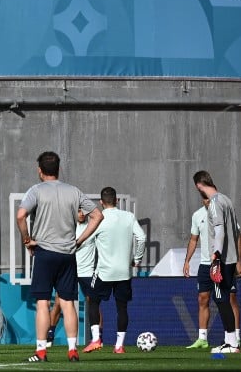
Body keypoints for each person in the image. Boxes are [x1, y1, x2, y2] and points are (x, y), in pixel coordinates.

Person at [15, 151, 101, 363]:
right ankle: (72, 350)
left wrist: (27, 239)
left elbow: (20, 216)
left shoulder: (36, 190)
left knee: (43, 302)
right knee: (68, 302)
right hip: (67, 254)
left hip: (45, 253)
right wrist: (79, 240)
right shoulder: (73, 191)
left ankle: (42, 351)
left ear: (40, 170)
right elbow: (97, 215)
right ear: (58, 168)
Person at [82, 187, 145, 354]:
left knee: (93, 301)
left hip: (104, 271)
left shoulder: (98, 219)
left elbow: (85, 242)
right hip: (124, 272)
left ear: (101, 202)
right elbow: (142, 237)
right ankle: (119, 346)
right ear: (116, 200)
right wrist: (137, 259)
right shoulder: (129, 216)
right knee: (122, 308)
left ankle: (96, 339)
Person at [183, 190, 241, 349]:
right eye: (203, 198)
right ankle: (202, 338)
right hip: (206, 264)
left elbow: (237, 236)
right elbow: (194, 239)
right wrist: (187, 261)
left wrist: (238, 261)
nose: (206, 201)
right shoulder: (197, 215)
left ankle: (234, 337)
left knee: (229, 298)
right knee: (203, 298)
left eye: (208, 197)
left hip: (223, 262)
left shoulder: (222, 208)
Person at [47, 207, 97, 344]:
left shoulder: (93, 228)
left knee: (93, 302)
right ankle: (50, 335)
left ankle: (98, 337)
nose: (80, 214)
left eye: (83, 211)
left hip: (87, 271)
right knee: (58, 303)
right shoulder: (67, 229)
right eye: (78, 211)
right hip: (68, 271)